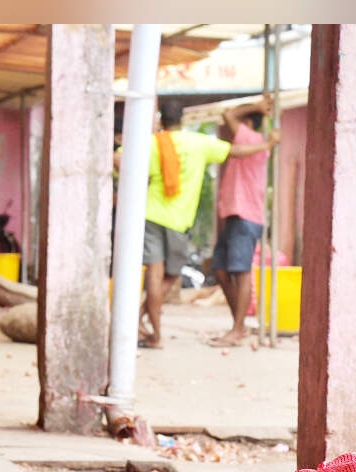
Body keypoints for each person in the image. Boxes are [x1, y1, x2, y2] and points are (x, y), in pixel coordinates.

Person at [116, 99, 276, 349]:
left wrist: (136, 185)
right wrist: (268, 142)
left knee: (158, 276)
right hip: (180, 219)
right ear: (183, 119)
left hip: (153, 214)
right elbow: (233, 150)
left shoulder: (154, 143)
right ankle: (150, 330)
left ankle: (149, 330)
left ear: (161, 120)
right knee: (177, 275)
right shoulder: (199, 143)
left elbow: (119, 159)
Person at [210, 95, 280, 347]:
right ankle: (238, 325)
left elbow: (228, 114)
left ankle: (238, 328)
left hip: (246, 214)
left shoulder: (251, 138)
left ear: (248, 122)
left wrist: (255, 107)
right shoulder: (257, 142)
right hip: (235, 213)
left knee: (240, 272)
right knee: (220, 269)